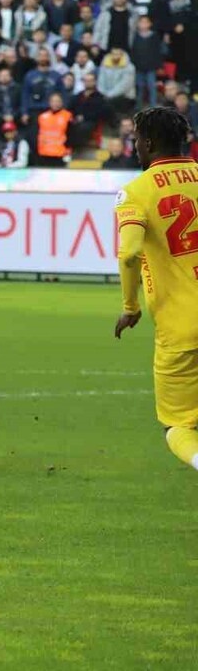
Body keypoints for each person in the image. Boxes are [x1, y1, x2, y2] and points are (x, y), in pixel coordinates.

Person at [114, 108, 198, 473]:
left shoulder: (136, 192)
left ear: (148, 142)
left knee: (178, 425)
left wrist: (130, 306)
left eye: (135, 139)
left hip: (181, 328)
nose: (134, 146)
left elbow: (130, 252)